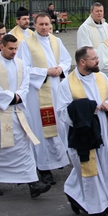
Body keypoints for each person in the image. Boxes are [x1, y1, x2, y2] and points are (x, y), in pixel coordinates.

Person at [0, 34, 51, 199]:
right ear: (2, 47)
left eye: (16, 48)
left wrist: (19, 96)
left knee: (24, 149)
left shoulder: (20, 64)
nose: (14, 52)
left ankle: (33, 184)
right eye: (10, 49)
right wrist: (11, 97)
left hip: (17, 113)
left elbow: (25, 85)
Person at [58, 46, 108, 216]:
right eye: (94, 59)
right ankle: (97, 212)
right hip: (83, 135)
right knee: (90, 171)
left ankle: (76, 193)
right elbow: (62, 111)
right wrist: (85, 110)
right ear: (82, 62)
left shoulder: (101, 78)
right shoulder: (67, 84)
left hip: (104, 131)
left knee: (103, 167)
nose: (97, 61)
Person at [17, 12, 71, 186]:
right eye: (41, 24)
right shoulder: (26, 44)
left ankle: (58, 160)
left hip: (56, 90)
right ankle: (43, 167)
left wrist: (60, 68)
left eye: (47, 24)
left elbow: (66, 60)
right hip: (38, 92)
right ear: (35, 25)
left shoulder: (56, 41)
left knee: (59, 125)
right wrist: (45, 72)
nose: (44, 27)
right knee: (41, 128)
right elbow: (23, 68)